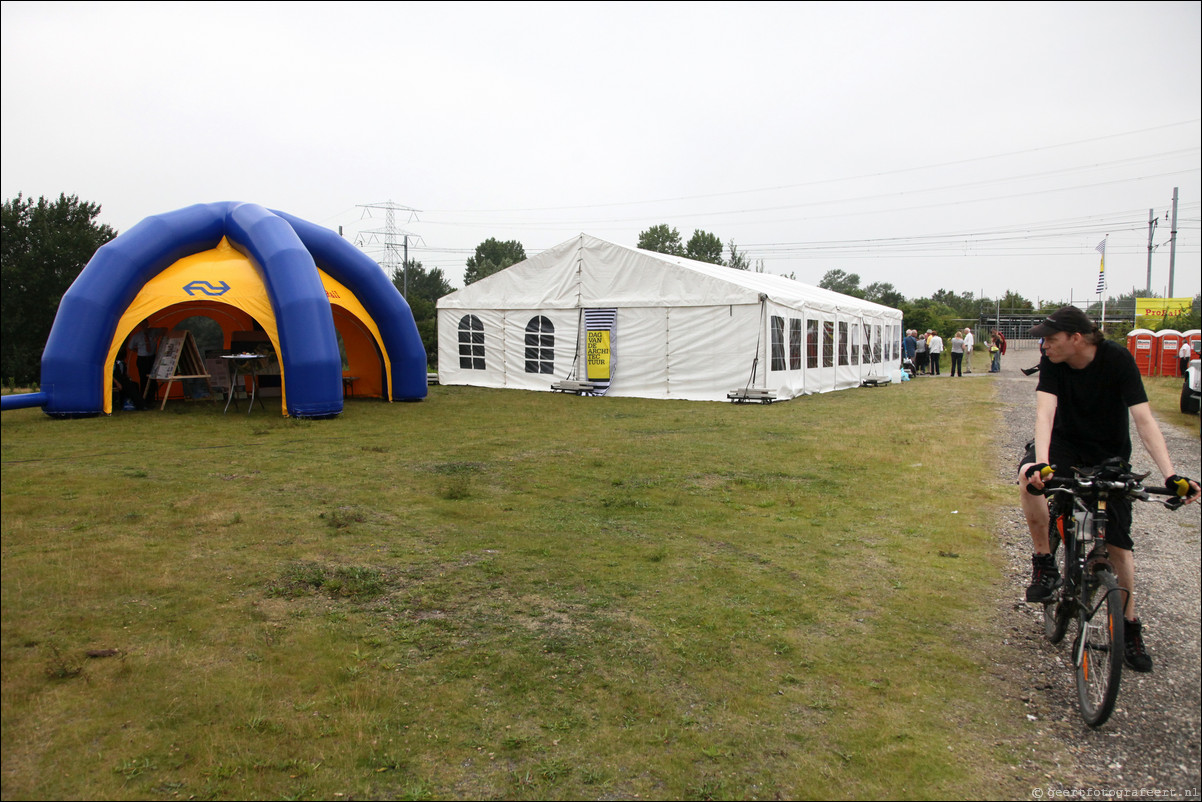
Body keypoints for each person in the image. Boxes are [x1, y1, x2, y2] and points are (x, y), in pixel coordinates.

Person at [1017, 306, 1200, 673]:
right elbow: (1045, 413)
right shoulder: (1052, 361)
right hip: (1064, 445)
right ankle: (1043, 562)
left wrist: (1170, 475)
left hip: (1108, 453)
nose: (1044, 344)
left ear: (1077, 338)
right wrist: (1041, 462)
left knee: (1118, 544)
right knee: (1027, 477)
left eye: (1051, 338)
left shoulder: (1117, 359)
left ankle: (1129, 626)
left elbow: (1144, 419)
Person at [128, 321, 162, 403]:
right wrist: (139, 351)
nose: (144, 327)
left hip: (152, 358)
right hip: (142, 359)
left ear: (148, 324)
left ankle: (152, 397)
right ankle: (144, 398)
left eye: (145, 324)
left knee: (152, 379)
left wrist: (157, 335)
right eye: (142, 325)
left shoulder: (153, 331)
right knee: (143, 378)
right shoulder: (137, 336)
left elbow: (165, 330)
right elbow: (130, 347)